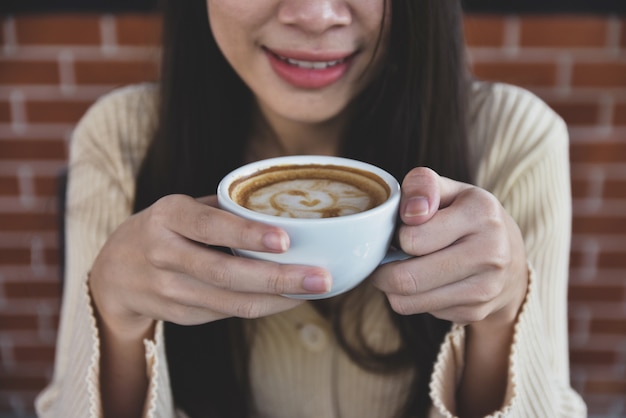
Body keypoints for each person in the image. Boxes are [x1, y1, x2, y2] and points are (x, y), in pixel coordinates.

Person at [36, 1, 587, 417]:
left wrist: (500, 316)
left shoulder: (515, 139)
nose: (314, 15)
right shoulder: (119, 139)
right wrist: (115, 321)